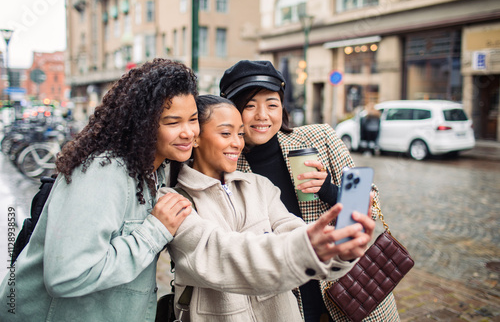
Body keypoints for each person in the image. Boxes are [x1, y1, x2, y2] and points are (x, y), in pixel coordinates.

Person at [0, 59, 198, 321]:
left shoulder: (155, 170)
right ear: (143, 124)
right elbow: (66, 275)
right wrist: (154, 232)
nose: (188, 132)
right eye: (173, 123)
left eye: (193, 119)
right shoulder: (103, 172)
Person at [161, 94, 376, 321]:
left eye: (241, 133)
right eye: (226, 133)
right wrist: (307, 247)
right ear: (196, 138)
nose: (237, 143)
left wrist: (339, 251)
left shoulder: (260, 186)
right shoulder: (174, 202)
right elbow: (224, 254)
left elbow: (294, 231)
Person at [219, 60, 400, 321]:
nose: (262, 115)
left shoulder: (320, 138)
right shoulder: (228, 166)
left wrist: (327, 190)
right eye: (249, 105)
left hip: (352, 289)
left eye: (272, 104)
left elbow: (369, 204)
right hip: (283, 304)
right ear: (232, 111)